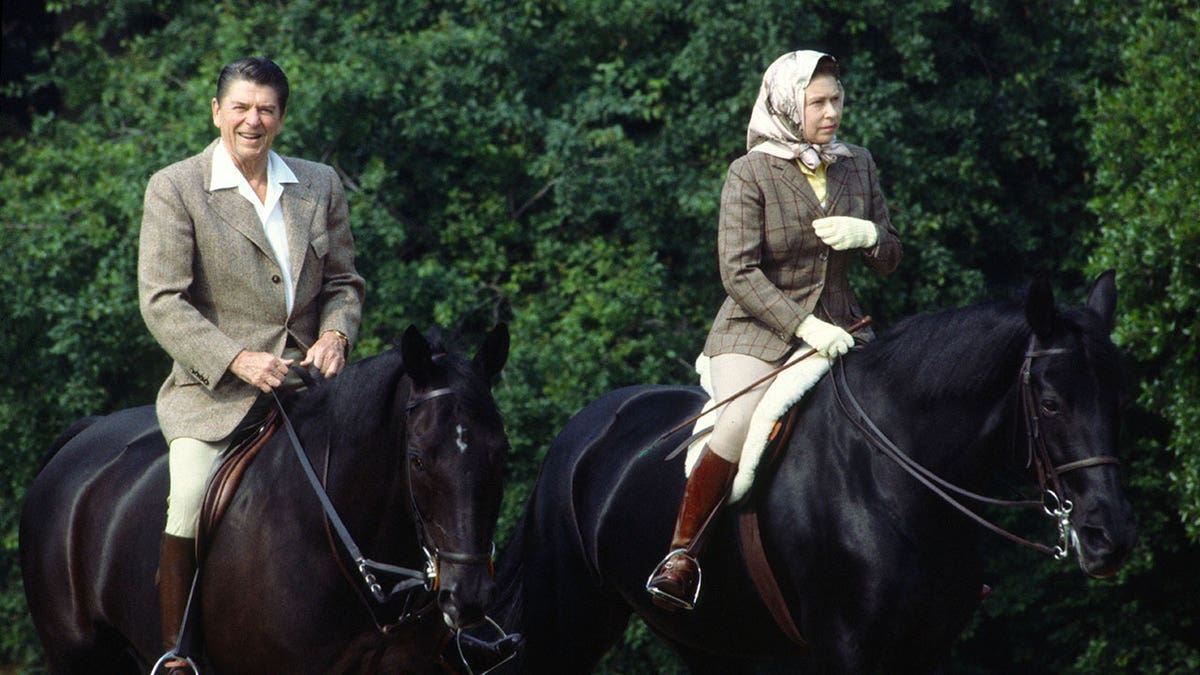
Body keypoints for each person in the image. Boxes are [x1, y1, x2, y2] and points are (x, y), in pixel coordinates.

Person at [645, 50, 902, 611]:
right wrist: (801, 324)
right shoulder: (751, 171)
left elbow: (891, 256)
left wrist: (871, 236)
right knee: (738, 421)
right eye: (818, 103)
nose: (831, 112)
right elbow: (737, 271)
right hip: (757, 331)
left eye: (837, 99)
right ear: (789, 105)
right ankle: (681, 554)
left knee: (903, 410)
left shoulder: (858, 163)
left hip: (842, 324)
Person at [138, 56, 365, 670]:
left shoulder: (319, 184)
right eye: (239, 106)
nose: (252, 120)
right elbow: (162, 300)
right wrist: (235, 358)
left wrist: (338, 336)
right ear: (216, 112)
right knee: (186, 495)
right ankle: (176, 654)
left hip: (313, 387)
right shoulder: (175, 187)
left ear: (282, 118)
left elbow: (344, 282)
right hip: (215, 395)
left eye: (265, 109)